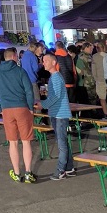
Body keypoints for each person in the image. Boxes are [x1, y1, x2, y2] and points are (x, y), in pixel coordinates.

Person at [0, 47, 37, 184]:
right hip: (22, 107)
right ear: (14, 56)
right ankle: (28, 173)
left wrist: (0, 107)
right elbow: (29, 91)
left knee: (13, 142)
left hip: (7, 110)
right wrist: (30, 107)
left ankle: (16, 173)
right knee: (26, 141)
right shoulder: (20, 71)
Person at [38, 52, 76, 180]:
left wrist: (43, 104)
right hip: (56, 113)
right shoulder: (54, 77)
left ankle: (60, 170)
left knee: (61, 143)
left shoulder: (56, 77)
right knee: (62, 141)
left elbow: (56, 96)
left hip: (60, 114)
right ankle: (69, 167)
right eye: (43, 61)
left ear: (54, 62)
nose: (44, 63)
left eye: (46, 61)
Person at [91, 41, 107, 119]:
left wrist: (96, 79)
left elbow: (93, 70)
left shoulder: (94, 57)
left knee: (102, 98)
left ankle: (106, 114)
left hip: (100, 80)